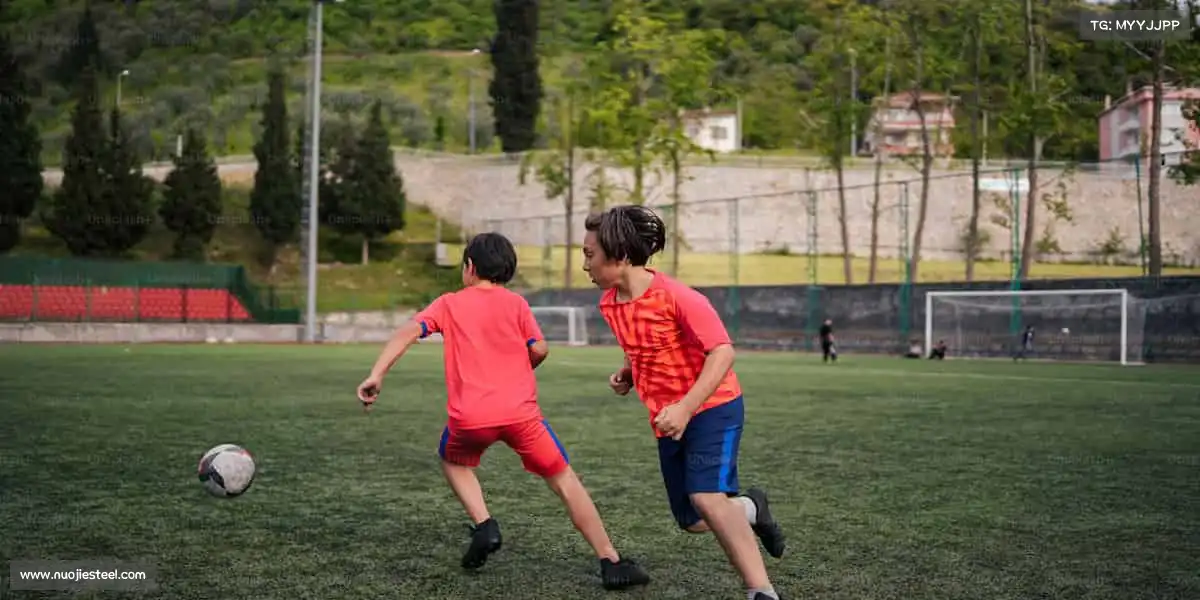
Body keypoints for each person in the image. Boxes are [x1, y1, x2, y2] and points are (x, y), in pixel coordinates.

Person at [356, 232, 649, 591]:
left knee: (452, 460)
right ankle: (611, 561)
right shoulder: (516, 305)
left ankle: (484, 525)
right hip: (522, 417)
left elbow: (407, 333)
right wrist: (518, 367)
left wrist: (377, 374)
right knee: (564, 480)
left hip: (471, 418)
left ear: (469, 267)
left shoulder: (449, 303)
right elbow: (540, 348)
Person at [582, 205, 788, 600]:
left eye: (590, 255)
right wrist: (627, 372)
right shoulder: (609, 303)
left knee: (707, 498)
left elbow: (723, 353)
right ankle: (750, 508)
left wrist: (686, 407)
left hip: (713, 407)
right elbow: (639, 345)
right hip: (667, 418)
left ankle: (761, 591)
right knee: (693, 519)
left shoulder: (678, 297)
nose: (585, 265)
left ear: (621, 256)